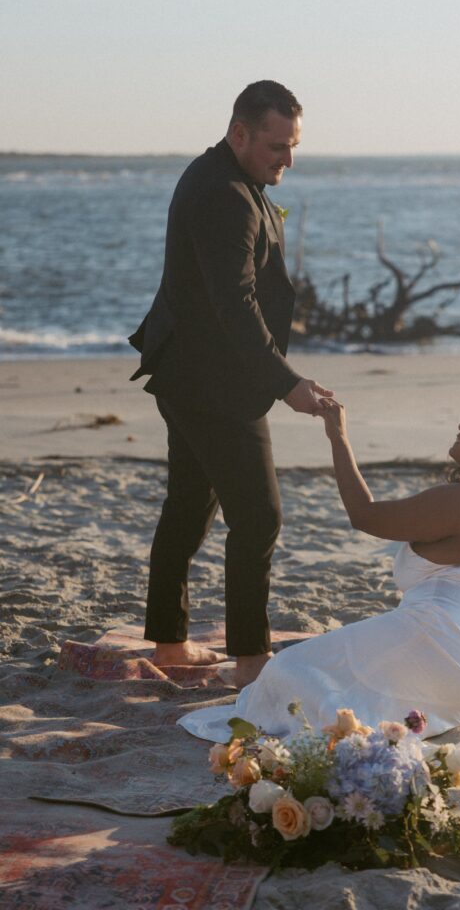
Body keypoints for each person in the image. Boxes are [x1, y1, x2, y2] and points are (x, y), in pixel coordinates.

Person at [179, 399, 460, 741]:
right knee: (312, 678)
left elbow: (364, 515)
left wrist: (338, 436)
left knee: (285, 672)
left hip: (435, 649)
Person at [129, 80, 333, 687]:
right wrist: (287, 383)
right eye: (277, 146)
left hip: (189, 373)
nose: (288, 160)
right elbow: (234, 304)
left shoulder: (227, 176)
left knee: (189, 505)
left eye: (293, 146)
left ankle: (169, 643)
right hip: (214, 382)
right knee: (259, 517)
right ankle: (251, 662)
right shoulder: (223, 194)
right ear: (239, 133)